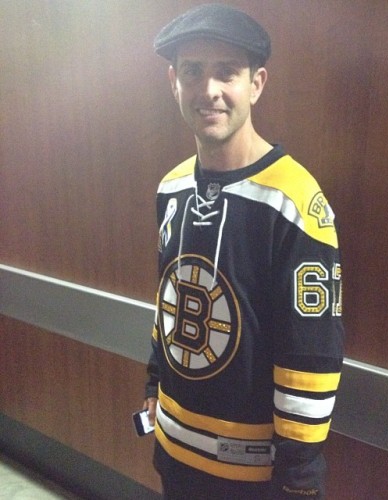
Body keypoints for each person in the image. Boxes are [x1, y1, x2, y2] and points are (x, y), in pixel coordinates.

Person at [143, 4, 344, 499]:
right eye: (193, 72)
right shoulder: (170, 188)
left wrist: (297, 479)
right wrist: (153, 386)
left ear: (256, 84)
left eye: (226, 72)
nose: (208, 90)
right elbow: (168, 298)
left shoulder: (292, 201)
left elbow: (311, 351)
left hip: (252, 479)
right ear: (174, 81)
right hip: (175, 450)